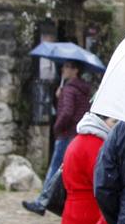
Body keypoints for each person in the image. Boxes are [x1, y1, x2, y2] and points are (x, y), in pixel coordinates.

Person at [24, 60, 92, 214]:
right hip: (77, 134)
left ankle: (42, 203)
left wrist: (57, 127)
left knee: (55, 168)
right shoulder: (82, 90)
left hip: (66, 134)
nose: (63, 69)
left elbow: (67, 112)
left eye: (68, 66)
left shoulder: (69, 90)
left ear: (75, 71)